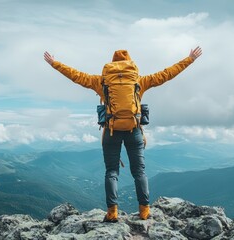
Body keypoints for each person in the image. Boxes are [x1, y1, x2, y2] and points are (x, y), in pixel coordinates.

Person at [44, 47, 202, 222]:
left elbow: (76, 76)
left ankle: (112, 212)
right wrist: (190, 59)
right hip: (133, 130)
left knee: (111, 171)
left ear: (112, 64)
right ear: (129, 64)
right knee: (139, 172)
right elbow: (167, 74)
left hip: (111, 131)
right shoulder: (139, 81)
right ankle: (144, 211)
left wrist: (54, 63)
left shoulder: (102, 82)